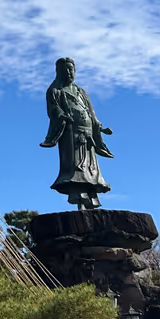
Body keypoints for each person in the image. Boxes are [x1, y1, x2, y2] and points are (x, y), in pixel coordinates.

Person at [40, 57, 114, 210]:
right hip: (71, 134)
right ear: (59, 72)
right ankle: (79, 197)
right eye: (65, 70)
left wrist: (98, 125)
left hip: (88, 134)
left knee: (90, 167)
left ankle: (92, 198)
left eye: (71, 69)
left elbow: (91, 112)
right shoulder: (55, 90)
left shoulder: (81, 91)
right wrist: (61, 115)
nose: (69, 72)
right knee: (76, 166)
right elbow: (53, 109)